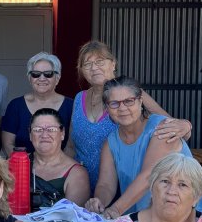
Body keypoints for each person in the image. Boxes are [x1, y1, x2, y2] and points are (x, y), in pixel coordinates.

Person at [85, 76, 202, 220]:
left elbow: (149, 175)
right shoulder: (110, 142)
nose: (122, 108)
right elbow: (106, 184)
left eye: (129, 101)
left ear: (140, 101)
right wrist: (99, 201)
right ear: (107, 108)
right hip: (150, 216)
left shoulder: (162, 127)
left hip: (189, 211)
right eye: (114, 103)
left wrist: (116, 209)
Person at [69, 40, 190, 189]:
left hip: (122, 188)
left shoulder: (130, 95)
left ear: (113, 64)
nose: (94, 68)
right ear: (81, 70)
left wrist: (186, 126)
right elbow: (70, 145)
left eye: (99, 61)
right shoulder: (78, 98)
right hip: (83, 186)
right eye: (87, 64)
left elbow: (171, 125)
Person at [1, 53, 73, 156]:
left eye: (48, 74)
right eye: (36, 74)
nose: (42, 78)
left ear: (57, 78)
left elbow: (72, 147)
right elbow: (7, 145)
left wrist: (55, 168)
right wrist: (29, 165)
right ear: (29, 78)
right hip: (23, 168)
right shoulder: (15, 106)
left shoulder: (71, 106)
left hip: (61, 170)